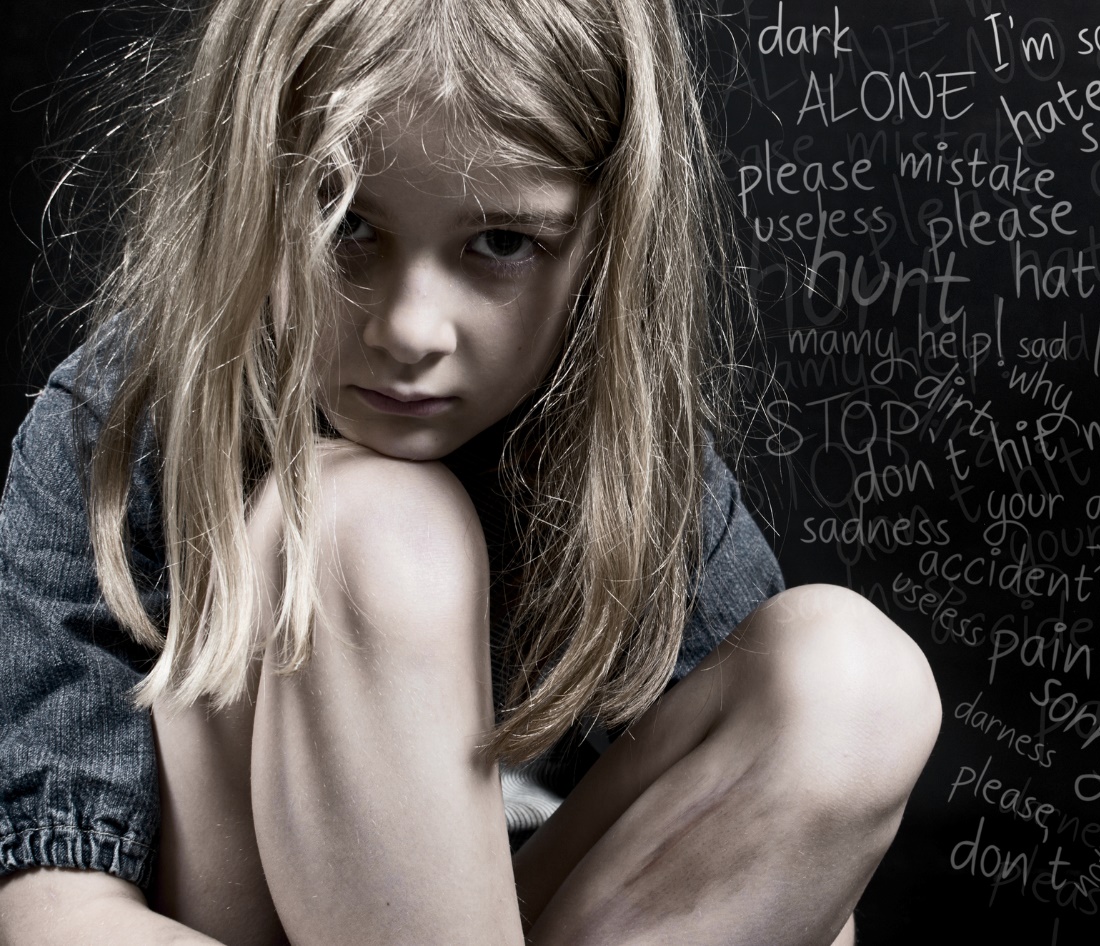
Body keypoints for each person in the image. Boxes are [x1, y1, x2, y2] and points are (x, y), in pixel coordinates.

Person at [0, 0, 942, 942]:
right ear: (247, 182)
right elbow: (57, 916)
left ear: (602, 244)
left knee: (848, 683)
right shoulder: (124, 424)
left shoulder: (621, 456)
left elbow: (772, 876)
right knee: (366, 527)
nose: (409, 330)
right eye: (344, 225)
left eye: (500, 244)